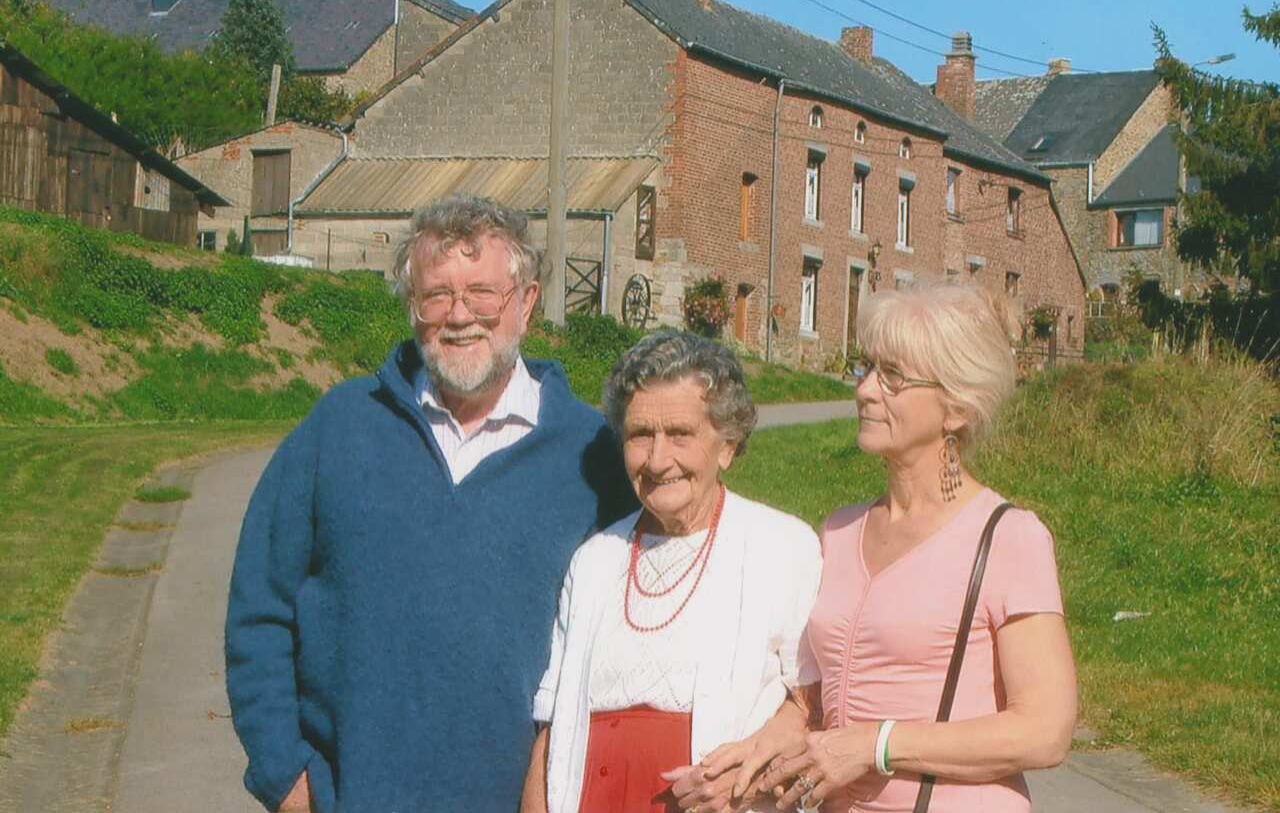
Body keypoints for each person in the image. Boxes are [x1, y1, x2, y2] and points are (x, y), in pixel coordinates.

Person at [224, 195, 635, 812]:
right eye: (436, 295)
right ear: (413, 309)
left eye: (482, 292)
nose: (459, 315)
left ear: (525, 302)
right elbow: (260, 607)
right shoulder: (341, 428)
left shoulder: (590, 456)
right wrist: (284, 774)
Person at [761, 283, 1077, 812]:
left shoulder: (1006, 537)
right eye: (865, 369)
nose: (864, 390)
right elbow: (820, 693)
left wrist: (876, 744)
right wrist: (767, 741)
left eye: (893, 377)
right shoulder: (838, 531)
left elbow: (1045, 729)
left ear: (955, 407)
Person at [522, 331, 823, 813]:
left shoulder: (783, 548)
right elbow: (553, 725)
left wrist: (749, 773)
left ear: (727, 445)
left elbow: (812, 708)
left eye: (680, 434)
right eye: (641, 435)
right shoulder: (596, 559)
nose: (658, 460)